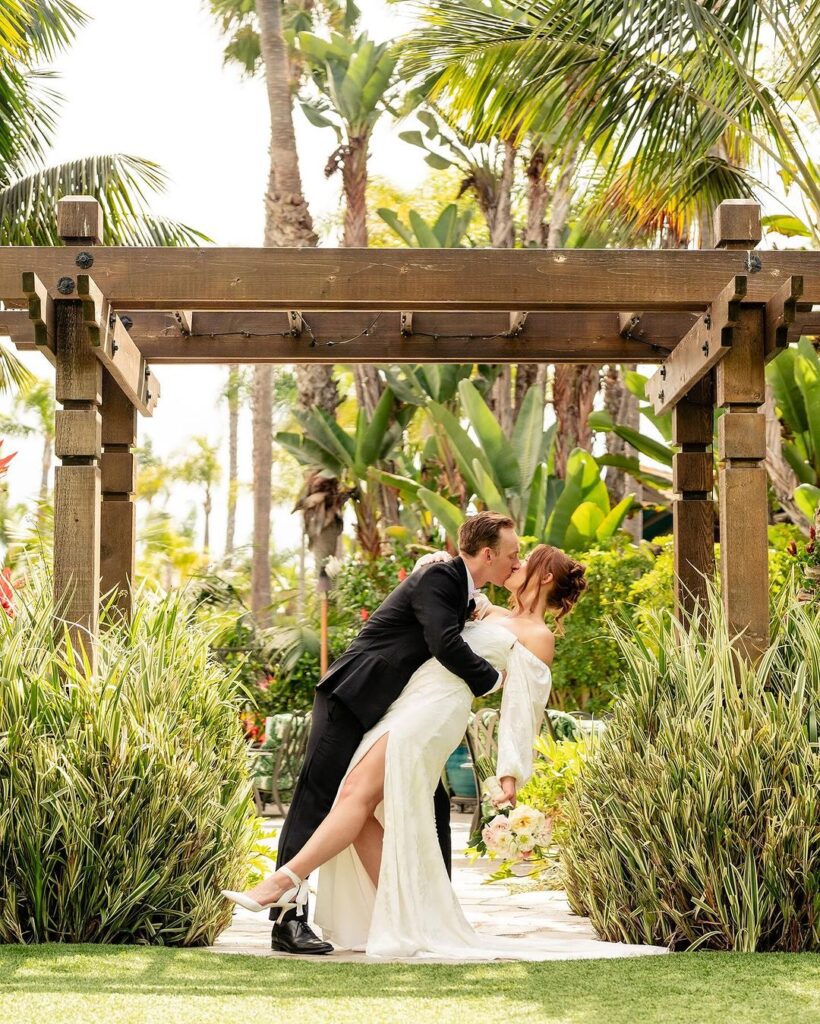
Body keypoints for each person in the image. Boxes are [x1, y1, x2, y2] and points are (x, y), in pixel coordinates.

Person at [223, 542, 588, 960]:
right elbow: (448, 594)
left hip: (435, 714)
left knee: (354, 792)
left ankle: (282, 883)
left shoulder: (538, 636)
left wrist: (510, 773)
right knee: (357, 804)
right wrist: (433, 563)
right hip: (405, 704)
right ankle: (404, 915)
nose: (516, 564)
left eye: (526, 562)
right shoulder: (490, 611)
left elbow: (523, 708)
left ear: (544, 577)